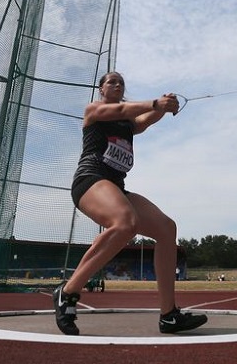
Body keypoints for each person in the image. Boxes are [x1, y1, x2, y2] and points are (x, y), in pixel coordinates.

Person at [53, 71, 207, 335]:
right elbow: (128, 108)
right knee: (126, 223)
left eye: (121, 82)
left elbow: (145, 120)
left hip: (116, 187)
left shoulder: (127, 123)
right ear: (101, 89)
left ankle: (169, 315)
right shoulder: (94, 110)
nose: (117, 84)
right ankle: (67, 293)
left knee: (166, 228)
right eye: (111, 81)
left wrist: (166, 105)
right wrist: (156, 103)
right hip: (91, 180)